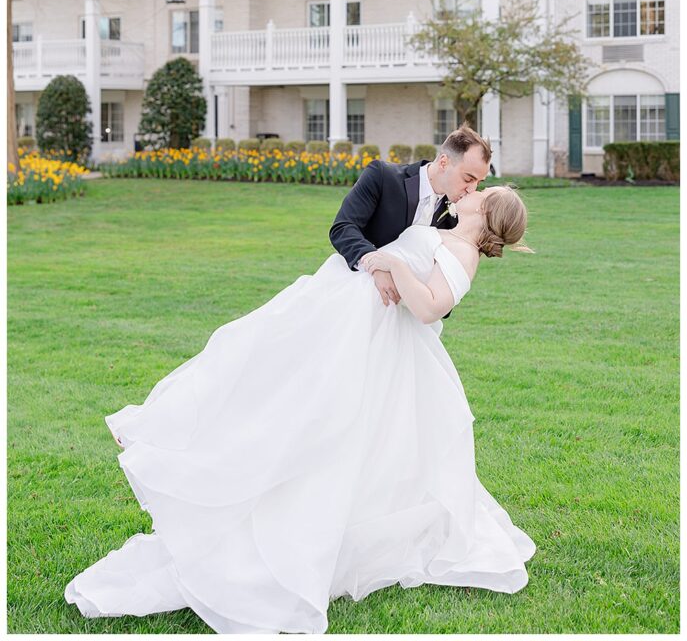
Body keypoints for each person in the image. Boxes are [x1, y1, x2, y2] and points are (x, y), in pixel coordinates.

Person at [65, 181, 536, 634]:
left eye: (483, 193)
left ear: (488, 213)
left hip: (370, 343)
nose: (473, 191)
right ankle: (161, 428)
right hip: (344, 323)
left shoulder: (463, 252)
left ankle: (267, 520)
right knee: (248, 363)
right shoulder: (446, 231)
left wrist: (394, 264)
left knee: (313, 426)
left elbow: (431, 307)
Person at [330, 125, 492, 316]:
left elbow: (443, 289)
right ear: (443, 162)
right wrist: (374, 266)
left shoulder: (459, 216)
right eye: (468, 178)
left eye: (478, 183)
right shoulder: (382, 176)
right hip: (356, 296)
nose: (472, 189)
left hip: (406, 316)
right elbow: (343, 227)